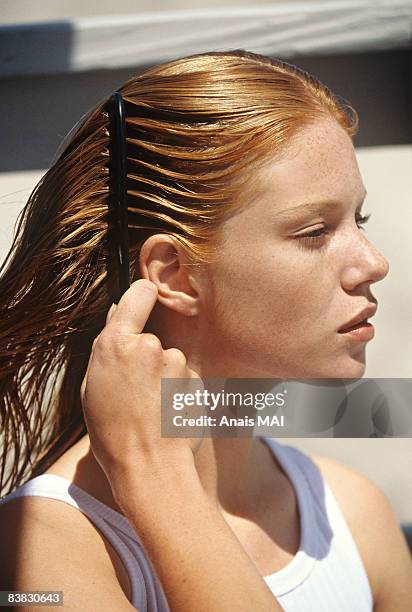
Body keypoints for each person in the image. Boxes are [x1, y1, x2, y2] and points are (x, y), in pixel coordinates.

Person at [0, 49, 411, 611]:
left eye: (356, 221)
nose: (372, 262)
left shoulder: (350, 513)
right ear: (175, 275)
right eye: (315, 231)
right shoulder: (42, 551)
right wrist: (155, 473)